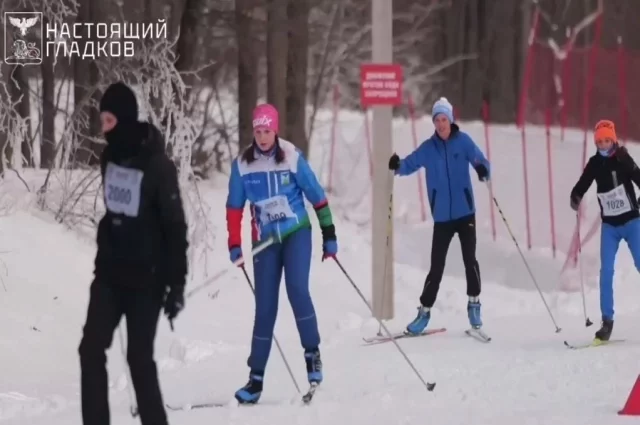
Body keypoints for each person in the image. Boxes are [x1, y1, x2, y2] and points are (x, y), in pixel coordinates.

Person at [78, 81, 188, 425]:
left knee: (139, 360)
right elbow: (116, 212)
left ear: (124, 120)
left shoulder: (158, 166)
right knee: (90, 350)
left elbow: (175, 227)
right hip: (110, 275)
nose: (104, 129)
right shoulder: (108, 157)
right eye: (102, 120)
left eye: (109, 121)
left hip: (147, 279)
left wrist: (176, 284)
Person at [225, 103, 337, 404]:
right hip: (265, 242)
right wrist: (234, 243)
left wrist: (330, 235)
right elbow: (234, 207)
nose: (262, 137)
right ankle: (255, 379)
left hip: (296, 232)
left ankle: (312, 354)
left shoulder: (291, 156)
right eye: (258, 131)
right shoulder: (243, 165)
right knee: (264, 308)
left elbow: (317, 196)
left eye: (267, 131)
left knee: (297, 290)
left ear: (275, 130)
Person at [388, 97, 490, 335]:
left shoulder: (463, 142)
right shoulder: (428, 148)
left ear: (450, 120)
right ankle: (423, 313)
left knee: (470, 260)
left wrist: (484, 170)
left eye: (444, 119)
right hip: (442, 217)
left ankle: (474, 304)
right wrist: (397, 165)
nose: (441, 124)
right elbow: (409, 164)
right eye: (437, 120)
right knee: (436, 267)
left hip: (466, 214)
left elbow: (480, 161)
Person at [570, 119, 640, 342]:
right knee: (606, 272)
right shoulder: (594, 163)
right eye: (599, 142)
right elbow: (583, 182)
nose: (603, 145)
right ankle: (607, 321)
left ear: (614, 139)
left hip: (631, 222)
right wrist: (576, 195)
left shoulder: (623, 158)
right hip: (609, 226)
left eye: (607, 141)